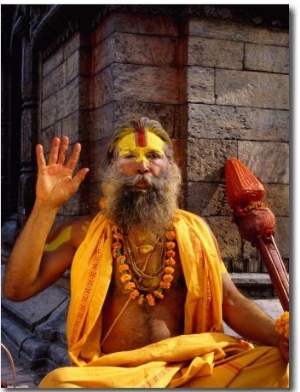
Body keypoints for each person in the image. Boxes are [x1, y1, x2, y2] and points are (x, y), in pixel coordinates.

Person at [3, 117, 289, 388]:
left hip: (188, 370)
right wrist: (45, 207)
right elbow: (16, 288)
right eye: (129, 156)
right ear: (112, 167)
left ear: (170, 166)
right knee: (59, 384)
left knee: (280, 363)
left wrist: (283, 336)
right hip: (114, 375)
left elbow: (230, 301)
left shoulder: (195, 229)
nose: (142, 165)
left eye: (153, 156)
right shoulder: (82, 233)